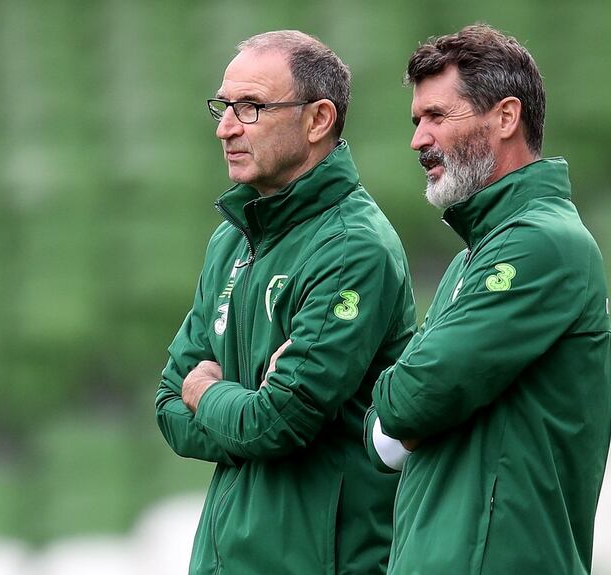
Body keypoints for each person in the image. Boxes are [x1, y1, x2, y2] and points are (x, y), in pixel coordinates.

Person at [155, 30, 415, 575]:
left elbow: (279, 422)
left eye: (249, 107)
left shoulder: (352, 248)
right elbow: (167, 405)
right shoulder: (232, 238)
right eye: (223, 107)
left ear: (319, 120)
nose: (225, 127)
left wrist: (207, 390)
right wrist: (241, 411)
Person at [365, 24, 611, 574]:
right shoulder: (470, 260)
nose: (418, 140)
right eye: (415, 121)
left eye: (436, 117)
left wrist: (390, 394)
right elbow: (382, 442)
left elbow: (406, 401)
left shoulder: (543, 242)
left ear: (505, 117)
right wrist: (398, 403)